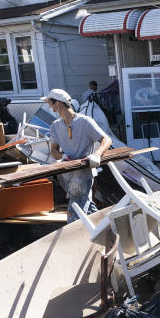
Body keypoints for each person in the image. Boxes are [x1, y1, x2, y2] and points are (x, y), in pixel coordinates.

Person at [43, 88, 112, 223]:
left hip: (83, 174)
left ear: (58, 104)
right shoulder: (55, 126)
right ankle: (107, 232)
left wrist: (97, 154)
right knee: (89, 209)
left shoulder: (85, 122)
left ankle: (75, 241)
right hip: (68, 174)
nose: (50, 107)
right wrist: (62, 156)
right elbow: (53, 151)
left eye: (50, 103)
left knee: (74, 213)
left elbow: (106, 139)